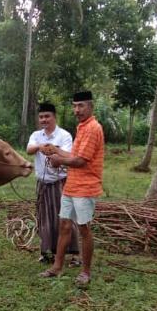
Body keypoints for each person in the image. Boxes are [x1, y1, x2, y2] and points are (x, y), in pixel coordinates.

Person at [39, 90, 104, 285]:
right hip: (71, 185)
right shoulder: (82, 127)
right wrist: (56, 150)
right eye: (74, 106)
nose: (77, 110)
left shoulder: (93, 128)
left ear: (90, 106)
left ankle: (85, 272)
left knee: (84, 228)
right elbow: (74, 155)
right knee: (64, 225)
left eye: (81, 105)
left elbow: (80, 161)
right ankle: (57, 267)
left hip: (85, 186)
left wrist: (58, 160)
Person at [26, 102, 80, 265]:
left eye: (47, 116)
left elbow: (68, 155)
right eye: (41, 117)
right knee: (44, 218)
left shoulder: (64, 135)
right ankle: (47, 253)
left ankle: (74, 255)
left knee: (66, 217)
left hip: (61, 183)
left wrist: (54, 152)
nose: (44, 119)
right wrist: (40, 146)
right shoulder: (36, 135)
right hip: (43, 184)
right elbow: (29, 149)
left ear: (54, 117)